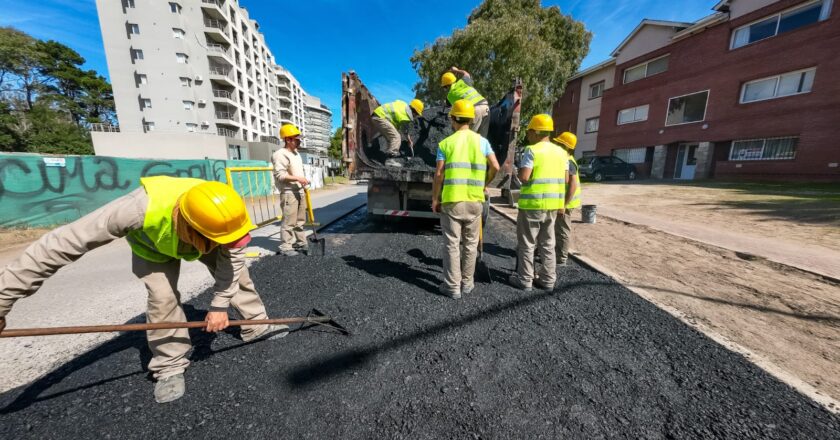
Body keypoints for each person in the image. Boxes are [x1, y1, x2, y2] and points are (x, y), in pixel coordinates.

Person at [0, 177, 288, 404]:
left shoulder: (223, 212)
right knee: (162, 299)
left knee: (239, 276)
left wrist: (219, 305)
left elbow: (233, 259)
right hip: (152, 247)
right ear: (192, 229)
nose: (231, 245)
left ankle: (255, 324)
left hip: (205, 237)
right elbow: (58, 245)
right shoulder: (134, 209)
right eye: (223, 241)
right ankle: (169, 364)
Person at [432, 99, 500, 299]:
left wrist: (435, 199)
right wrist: (485, 184)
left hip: (452, 201)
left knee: (452, 244)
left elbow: (438, 175)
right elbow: (495, 166)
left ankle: (452, 287)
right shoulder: (483, 142)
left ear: (453, 119)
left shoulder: (445, 143)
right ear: (471, 119)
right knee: (470, 244)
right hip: (474, 201)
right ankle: (467, 283)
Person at [509, 114, 569, 292]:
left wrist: (518, 173)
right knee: (548, 243)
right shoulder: (562, 153)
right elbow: (565, 178)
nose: (528, 135)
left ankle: (525, 280)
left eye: (529, 132)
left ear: (536, 131)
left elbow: (525, 177)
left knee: (527, 243)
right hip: (552, 205)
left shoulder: (532, 150)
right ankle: (548, 280)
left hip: (532, 205)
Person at [272, 123, 310, 256]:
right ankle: (286, 246)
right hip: (289, 192)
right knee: (289, 221)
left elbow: (298, 171)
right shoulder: (280, 154)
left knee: (300, 221)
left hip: (299, 191)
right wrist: (298, 179)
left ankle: (301, 242)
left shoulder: (296, 154)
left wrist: (302, 182)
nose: (299, 141)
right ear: (288, 139)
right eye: (297, 138)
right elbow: (280, 175)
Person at [552, 132, 581, 265]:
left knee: (562, 230)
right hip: (564, 201)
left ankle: (561, 258)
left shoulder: (568, 161)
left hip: (567, 203)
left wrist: (564, 204)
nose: (556, 145)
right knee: (557, 228)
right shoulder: (566, 159)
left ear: (565, 147)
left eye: (559, 143)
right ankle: (556, 253)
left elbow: (573, 185)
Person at [372, 99, 424, 168]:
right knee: (396, 137)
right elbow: (404, 130)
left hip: (377, 115)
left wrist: (409, 140)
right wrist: (409, 141)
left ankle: (384, 158)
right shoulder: (406, 116)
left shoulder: (403, 105)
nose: (416, 116)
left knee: (391, 138)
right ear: (414, 111)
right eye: (417, 114)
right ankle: (390, 160)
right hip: (381, 117)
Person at [441, 67, 490, 136]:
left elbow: (447, 106)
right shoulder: (463, 81)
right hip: (485, 107)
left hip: (474, 111)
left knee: (467, 140)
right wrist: (456, 70)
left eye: (445, 88)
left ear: (446, 86)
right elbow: (465, 73)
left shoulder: (450, 95)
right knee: (482, 140)